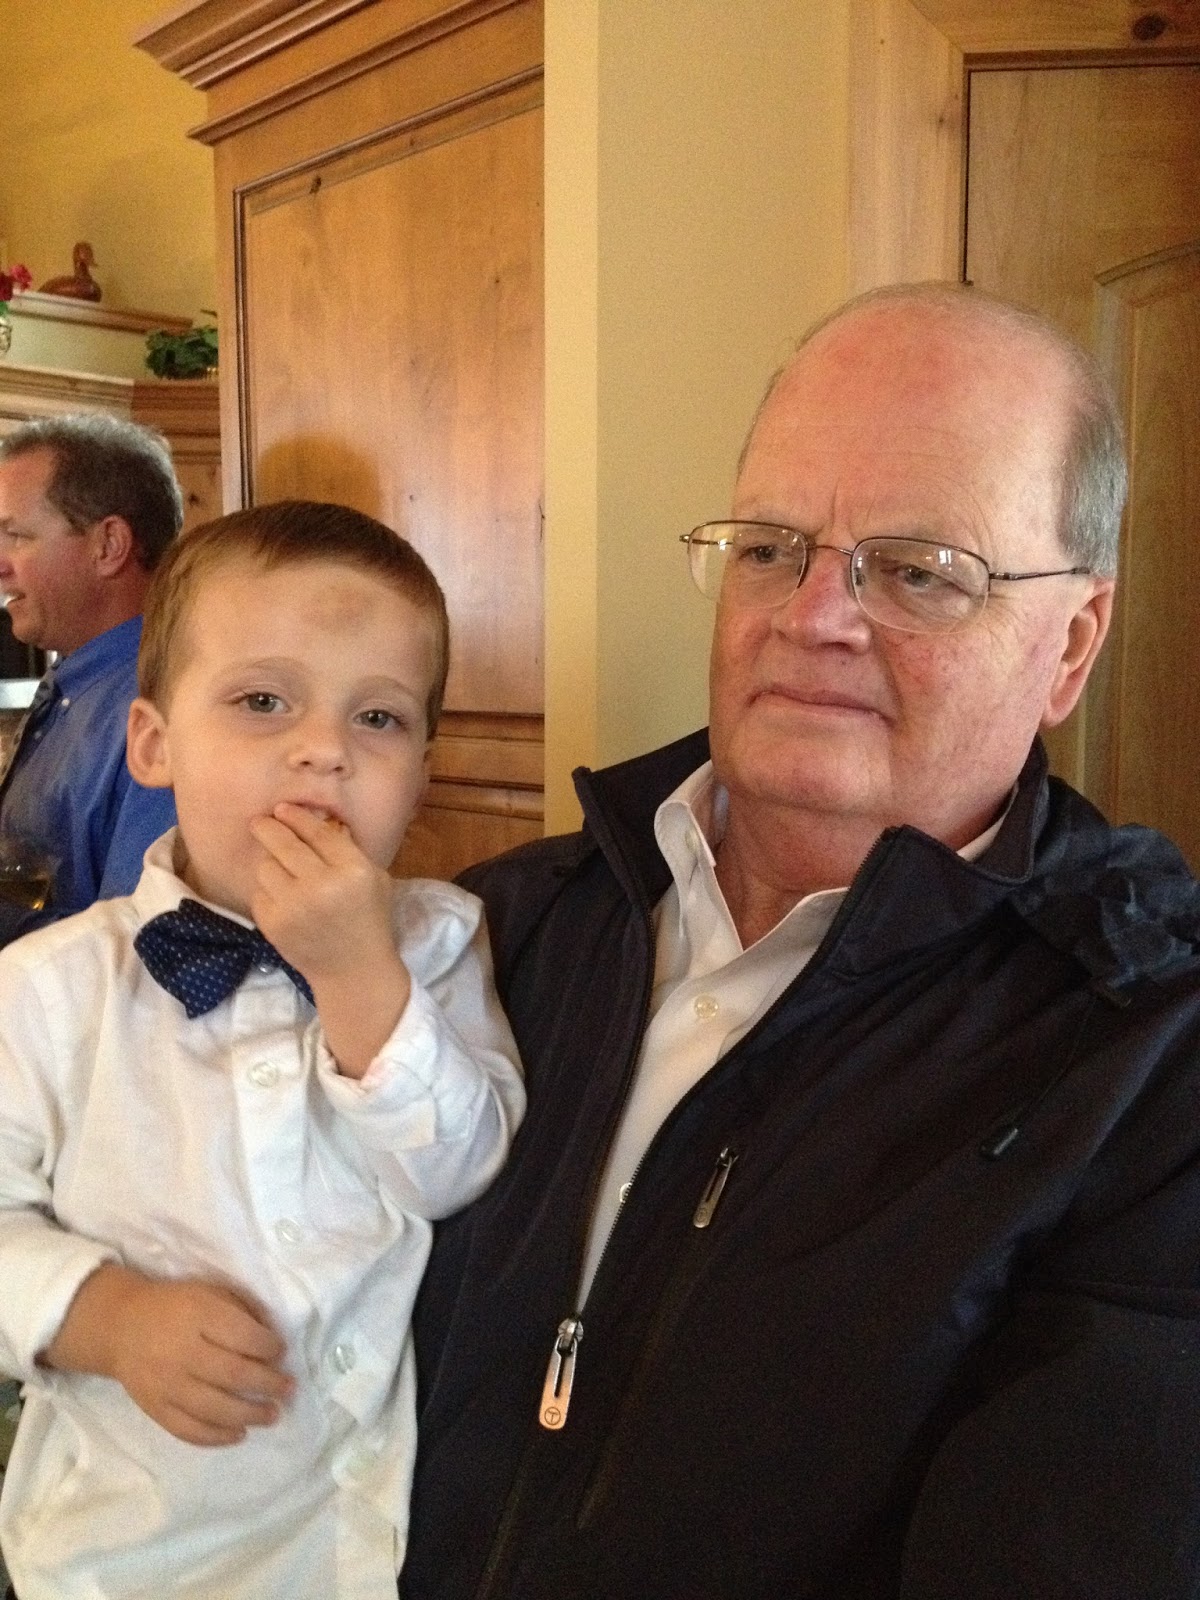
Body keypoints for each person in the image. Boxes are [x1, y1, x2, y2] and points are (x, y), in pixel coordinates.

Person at [402, 283, 1200, 1599]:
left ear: (1071, 644)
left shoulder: (1149, 1058)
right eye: (771, 548)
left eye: (920, 570)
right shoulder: (487, 933)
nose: (813, 615)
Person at [0, 501, 525, 1599]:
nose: (325, 749)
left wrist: (361, 980)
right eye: (262, 701)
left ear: (422, 772)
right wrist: (105, 1317)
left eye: (378, 717)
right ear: (155, 744)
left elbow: (459, 1168)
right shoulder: (49, 991)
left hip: (365, 1546)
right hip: (123, 1558)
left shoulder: (437, 944)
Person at [0, 414, 181, 947]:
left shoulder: (164, 700)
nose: (1, 563)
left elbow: (142, 948)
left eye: (16, 535)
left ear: (109, 545)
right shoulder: (77, 682)